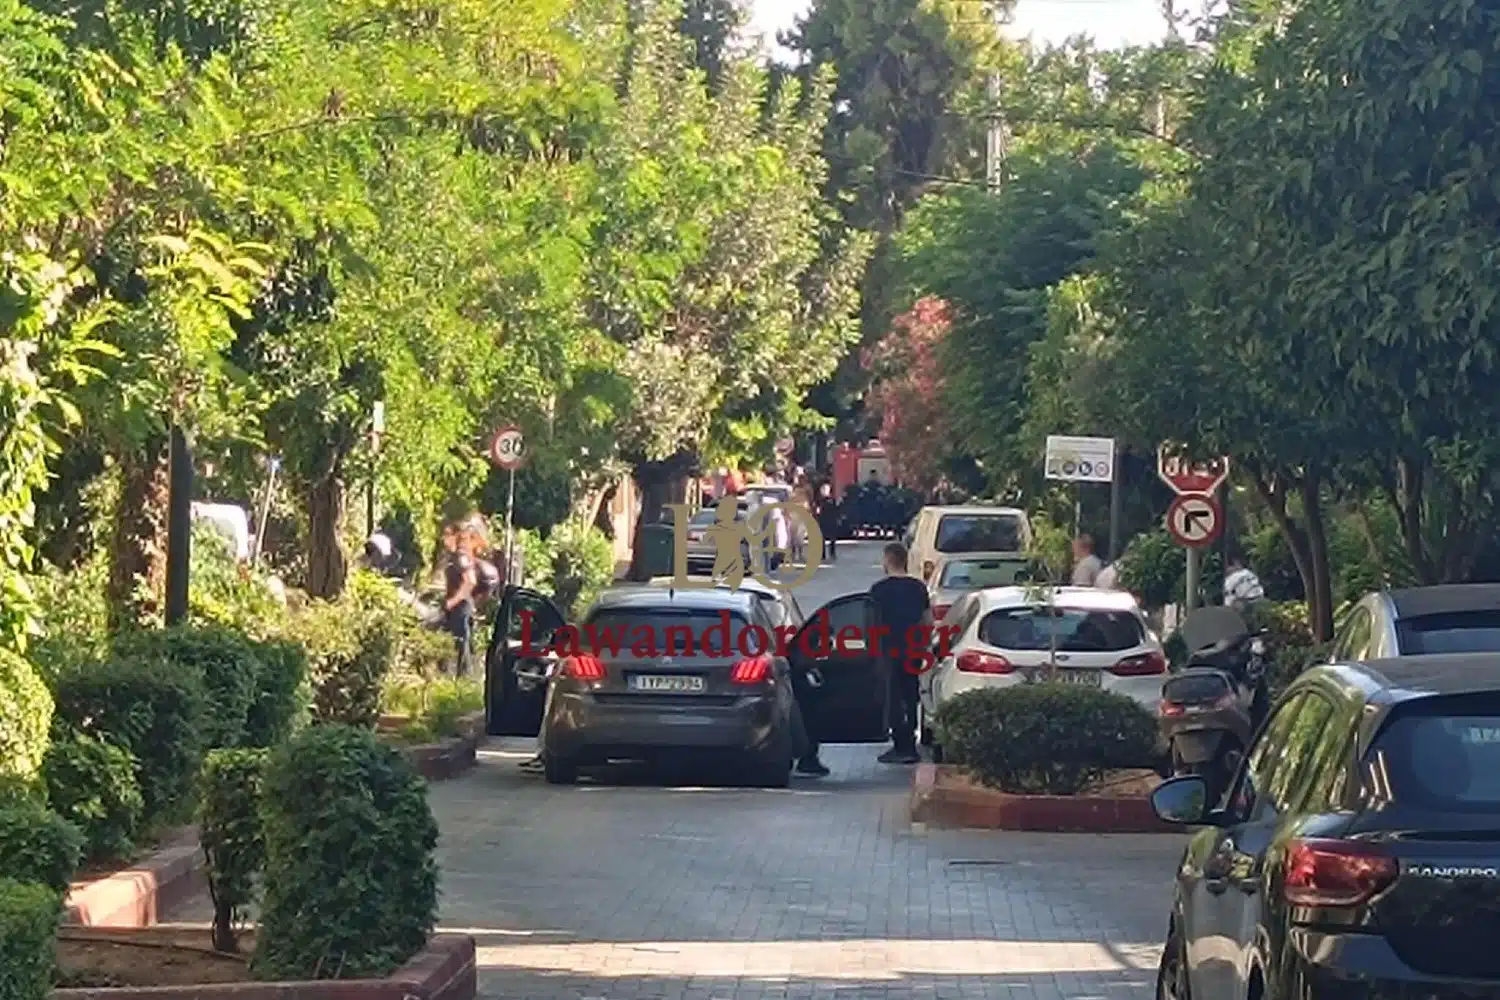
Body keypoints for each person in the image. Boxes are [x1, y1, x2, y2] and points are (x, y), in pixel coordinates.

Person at [869, 542, 932, 764]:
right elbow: (927, 621)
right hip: (912, 650)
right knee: (910, 694)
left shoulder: (878, 590)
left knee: (893, 697)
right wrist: (924, 646)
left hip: (888, 651)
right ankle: (910, 742)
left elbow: (870, 623)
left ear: (888, 560)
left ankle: (900, 745)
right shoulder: (918, 588)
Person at [442, 522, 478, 677]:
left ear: (455, 536)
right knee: (461, 645)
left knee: (461, 646)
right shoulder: (458, 555)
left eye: (447, 535)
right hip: (460, 607)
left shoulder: (460, 556)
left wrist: (453, 601)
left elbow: (470, 581)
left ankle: (464, 680)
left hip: (460, 607)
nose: (444, 539)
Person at [816, 483, 839, 563]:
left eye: (826, 490)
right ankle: (822, 554)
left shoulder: (832, 500)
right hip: (822, 520)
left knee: (832, 538)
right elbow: (817, 510)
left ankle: (832, 553)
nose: (824, 491)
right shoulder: (819, 500)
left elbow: (836, 510)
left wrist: (837, 518)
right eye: (823, 490)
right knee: (821, 538)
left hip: (831, 520)